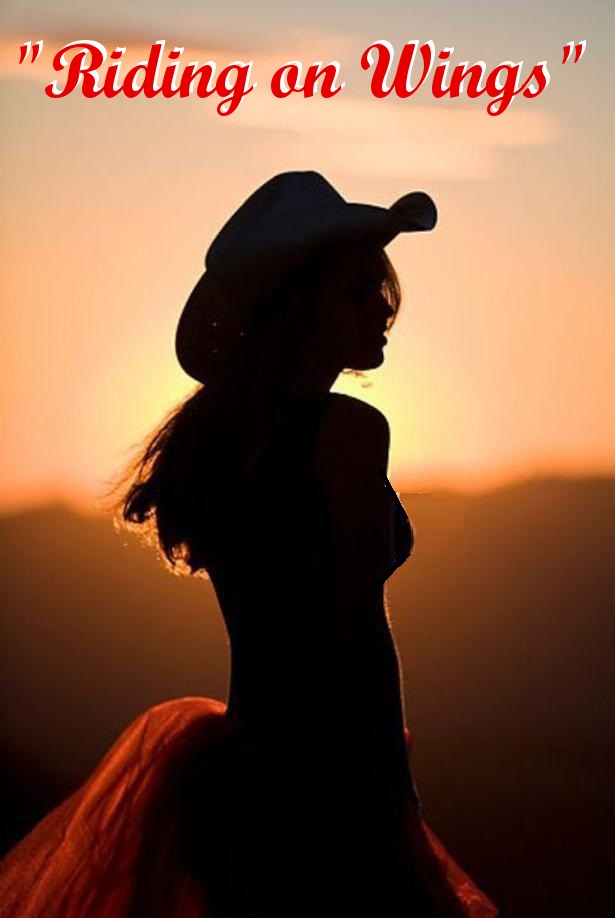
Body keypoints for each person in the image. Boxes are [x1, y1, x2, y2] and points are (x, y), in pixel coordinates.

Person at [0, 171, 498, 917]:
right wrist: (394, 788)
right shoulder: (347, 432)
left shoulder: (222, 438)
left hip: (238, 775)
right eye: (358, 291)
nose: (382, 308)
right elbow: (357, 625)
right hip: (328, 773)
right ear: (299, 307)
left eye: (380, 288)